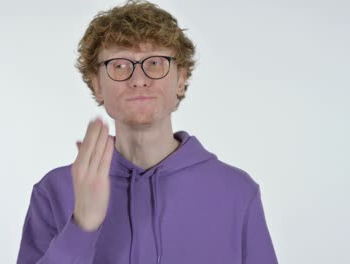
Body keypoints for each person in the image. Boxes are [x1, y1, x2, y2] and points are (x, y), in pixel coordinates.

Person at [16, 0, 278, 263]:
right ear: (96, 85)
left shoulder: (237, 192)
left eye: (155, 63)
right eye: (119, 65)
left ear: (181, 78)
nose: (138, 79)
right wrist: (81, 227)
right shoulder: (55, 191)